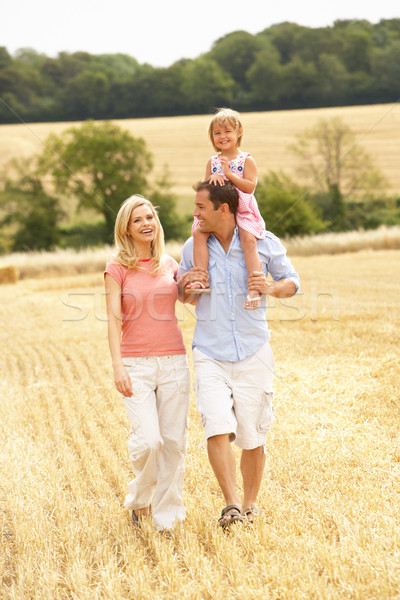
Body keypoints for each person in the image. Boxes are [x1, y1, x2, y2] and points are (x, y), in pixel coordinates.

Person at [179, 181, 300, 529]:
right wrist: (185, 288)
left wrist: (272, 288)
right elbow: (184, 297)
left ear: (224, 209)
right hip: (210, 352)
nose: (195, 213)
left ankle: (249, 505)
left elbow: (292, 280)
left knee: (253, 435)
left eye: (201, 207)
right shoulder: (193, 246)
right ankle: (230, 504)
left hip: (254, 351)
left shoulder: (262, 241)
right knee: (216, 427)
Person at [104, 194, 190, 533]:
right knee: (149, 441)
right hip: (135, 364)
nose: (146, 224)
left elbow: (191, 296)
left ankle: (168, 517)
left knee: (173, 442)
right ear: (126, 227)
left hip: (174, 362)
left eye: (150, 218)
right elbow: (112, 320)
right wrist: (117, 367)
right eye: (138, 219)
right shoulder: (116, 268)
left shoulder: (169, 264)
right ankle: (140, 497)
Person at [189, 107, 266, 310]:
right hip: (217, 211)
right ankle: (201, 277)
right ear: (212, 137)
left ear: (239, 132)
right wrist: (212, 179)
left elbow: (250, 187)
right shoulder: (212, 161)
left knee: (247, 237)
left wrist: (227, 175)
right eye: (217, 133)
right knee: (198, 234)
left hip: (240, 208)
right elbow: (205, 191)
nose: (222, 136)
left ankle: (255, 285)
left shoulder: (246, 160)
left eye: (227, 131)